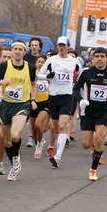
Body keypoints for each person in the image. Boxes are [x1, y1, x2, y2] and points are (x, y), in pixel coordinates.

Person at [0, 39, 37, 181]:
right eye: (15, 49)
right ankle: (14, 163)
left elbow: (34, 84)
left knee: (15, 135)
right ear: (12, 51)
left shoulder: (30, 67)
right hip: (6, 105)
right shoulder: (4, 66)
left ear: (24, 51)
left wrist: (32, 99)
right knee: (7, 141)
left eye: (20, 49)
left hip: (21, 105)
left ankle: (15, 160)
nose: (17, 51)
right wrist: (0, 82)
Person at [73, 47, 107, 181]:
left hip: (104, 111)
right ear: (92, 59)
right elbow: (76, 88)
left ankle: (93, 170)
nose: (99, 59)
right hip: (88, 111)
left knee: (99, 139)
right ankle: (97, 147)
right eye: (97, 56)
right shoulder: (86, 73)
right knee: (86, 144)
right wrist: (81, 100)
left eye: (102, 56)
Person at [37, 36, 83, 168]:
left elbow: (82, 75)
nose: (61, 48)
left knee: (62, 126)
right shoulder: (51, 60)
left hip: (67, 97)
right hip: (53, 97)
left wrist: (77, 87)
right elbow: (39, 73)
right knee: (55, 128)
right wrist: (47, 76)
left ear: (68, 46)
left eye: (64, 45)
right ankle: (52, 145)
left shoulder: (74, 61)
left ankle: (58, 156)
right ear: (57, 47)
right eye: (59, 45)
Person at [31, 55, 51, 159]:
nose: (40, 64)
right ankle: (37, 144)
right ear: (36, 63)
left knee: (38, 125)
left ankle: (39, 145)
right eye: (39, 62)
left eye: (43, 62)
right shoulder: (32, 74)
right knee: (34, 128)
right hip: (33, 103)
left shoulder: (48, 75)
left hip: (45, 103)